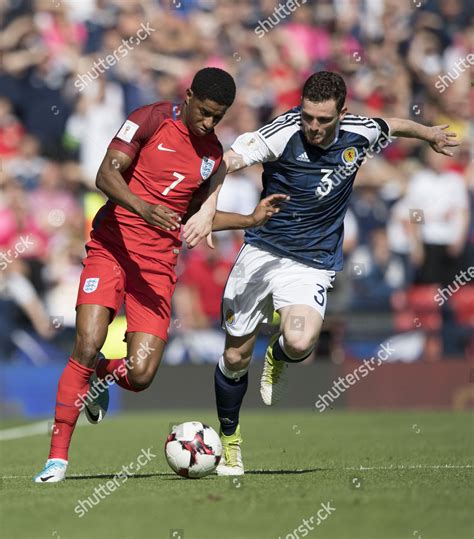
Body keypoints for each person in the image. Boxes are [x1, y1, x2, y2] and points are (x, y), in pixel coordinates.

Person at [183, 70, 459, 476]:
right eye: (307, 116)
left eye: (322, 120)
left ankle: (278, 355)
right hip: (261, 251)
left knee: (299, 340)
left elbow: (392, 125)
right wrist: (207, 211)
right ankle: (230, 442)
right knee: (235, 356)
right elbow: (227, 161)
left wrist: (429, 134)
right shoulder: (283, 133)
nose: (312, 126)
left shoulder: (359, 133)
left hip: (310, 261)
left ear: (342, 114)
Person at [34, 67, 287, 483]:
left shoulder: (212, 156)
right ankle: (57, 459)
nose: (209, 122)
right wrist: (141, 207)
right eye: (205, 112)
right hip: (111, 249)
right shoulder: (149, 119)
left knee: (140, 374)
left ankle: (100, 376)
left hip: (156, 266)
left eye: (218, 117)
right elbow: (105, 175)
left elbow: (195, 216)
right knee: (87, 340)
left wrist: (250, 219)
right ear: (188, 96)